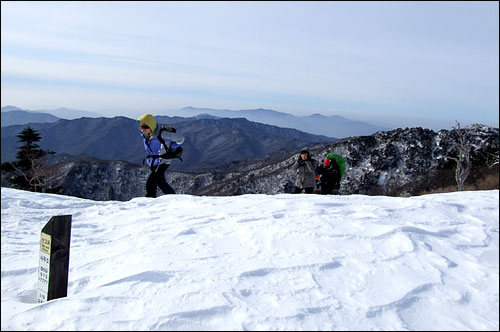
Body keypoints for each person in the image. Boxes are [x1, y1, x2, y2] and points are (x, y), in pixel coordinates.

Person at [137, 114, 185, 198]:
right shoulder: (146, 134)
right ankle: (174, 199)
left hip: (163, 161)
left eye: (145, 128)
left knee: (150, 182)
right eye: (142, 128)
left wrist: (172, 147)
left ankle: (150, 200)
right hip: (153, 161)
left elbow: (181, 139)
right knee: (160, 182)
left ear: (151, 126)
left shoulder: (162, 134)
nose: (143, 130)